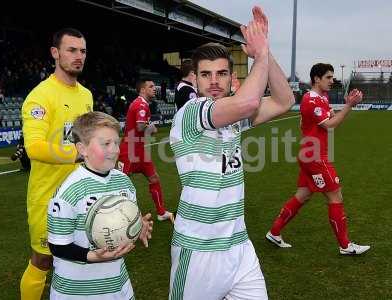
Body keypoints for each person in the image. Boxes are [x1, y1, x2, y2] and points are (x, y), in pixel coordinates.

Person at [169, 6, 294, 300]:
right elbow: (247, 103)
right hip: (198, 250)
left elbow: (284, 99)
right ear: (195, 80)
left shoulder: (233, 115)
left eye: (222, 73)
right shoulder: (191, 112)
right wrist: (260, 55)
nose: (214, 81)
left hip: (239, 247)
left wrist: (266, 51)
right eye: (206, 74)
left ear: (230, 78)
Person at [265, 63, 371, 255]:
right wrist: (349, 106)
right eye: (328, 77)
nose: (332, 81)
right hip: (315, 157)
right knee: (335, 195)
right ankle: (345, 246)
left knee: (303, 196)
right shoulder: (311, 100)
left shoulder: (322, 97)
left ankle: (274, 232)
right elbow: (330, 125)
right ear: (317, 79)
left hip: (311, 154)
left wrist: (343, 106)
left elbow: (326, 118)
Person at [47, 111, 153, 299]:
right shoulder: (68, 192)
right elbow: (57, 246)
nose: (115, 150)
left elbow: (125, 222)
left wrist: (138, 226)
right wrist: (93, 256)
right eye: (106, 144)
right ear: (82, 148)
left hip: (118, 286)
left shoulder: (123, 182)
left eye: (116, 143)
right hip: (76, 292)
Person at [20, 28, 93, 300]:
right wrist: (78, 153)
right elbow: (35, 147)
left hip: (80, 193)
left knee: (75, 257)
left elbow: (88, 137)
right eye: (71, 50)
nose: (78, 56)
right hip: (47, 197)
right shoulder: (40, 96)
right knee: (43, 260)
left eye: (82, 51)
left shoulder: (86, 95)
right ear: (55, 53)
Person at [119, 78, 173, 222]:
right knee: (121, 183)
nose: (154, 88)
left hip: (140, 150)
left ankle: (161, 212)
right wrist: (152, 128)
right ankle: (118, 217)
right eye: (150, 86)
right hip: (130, 150)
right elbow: (140, 127)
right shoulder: (141, 105)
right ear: (142, 90)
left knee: (154, 177)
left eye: (154, 86)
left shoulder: (141, 104)